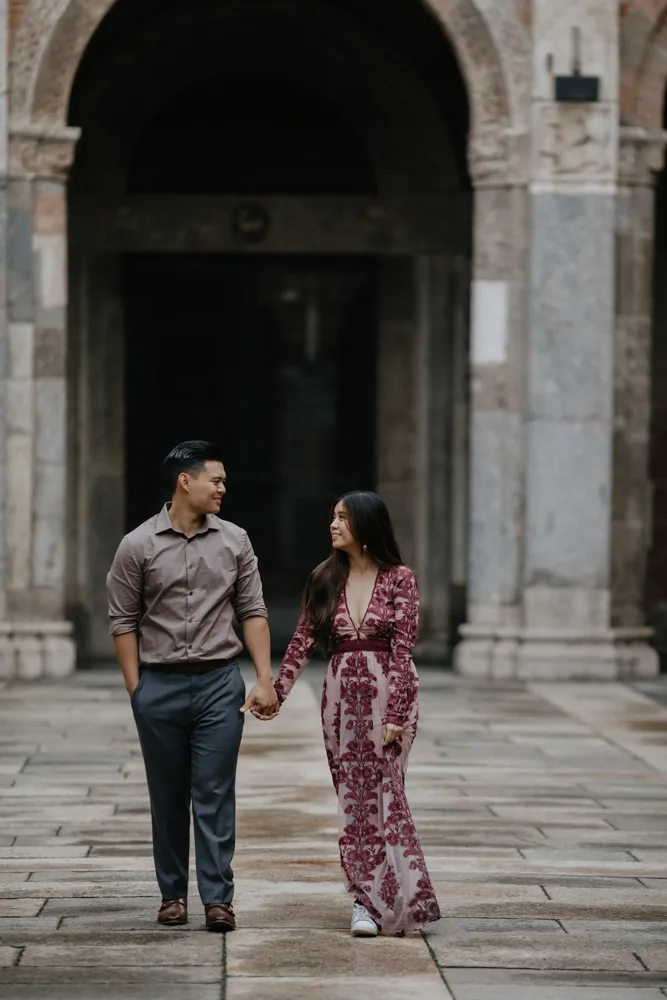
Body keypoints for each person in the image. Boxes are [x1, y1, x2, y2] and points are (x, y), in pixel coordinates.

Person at [106, 440, 279, 932]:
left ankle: (218, 899)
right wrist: (137, 691)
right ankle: (171, 897)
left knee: (215, 793)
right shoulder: (137, 545)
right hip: (158, 685)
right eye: (216, 480)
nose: (223, 488)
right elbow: (123, 621)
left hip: (219, 683)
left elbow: (253, 611)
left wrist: (264, 679)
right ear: (187, 481)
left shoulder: (235, 541)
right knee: (166, 795)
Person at [273, 491, 440, 937]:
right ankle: (365, 900)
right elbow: (302, 641)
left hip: (391, 697)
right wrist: (276, 693)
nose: (333, 524)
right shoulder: (324, 578)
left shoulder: (400, 579)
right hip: (341, 702)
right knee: (354, 801)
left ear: (366, 526)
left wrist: (397, 714)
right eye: (333, 517)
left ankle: (396, 896)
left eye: (343, 518)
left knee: (388, 798)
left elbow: (404, 652)